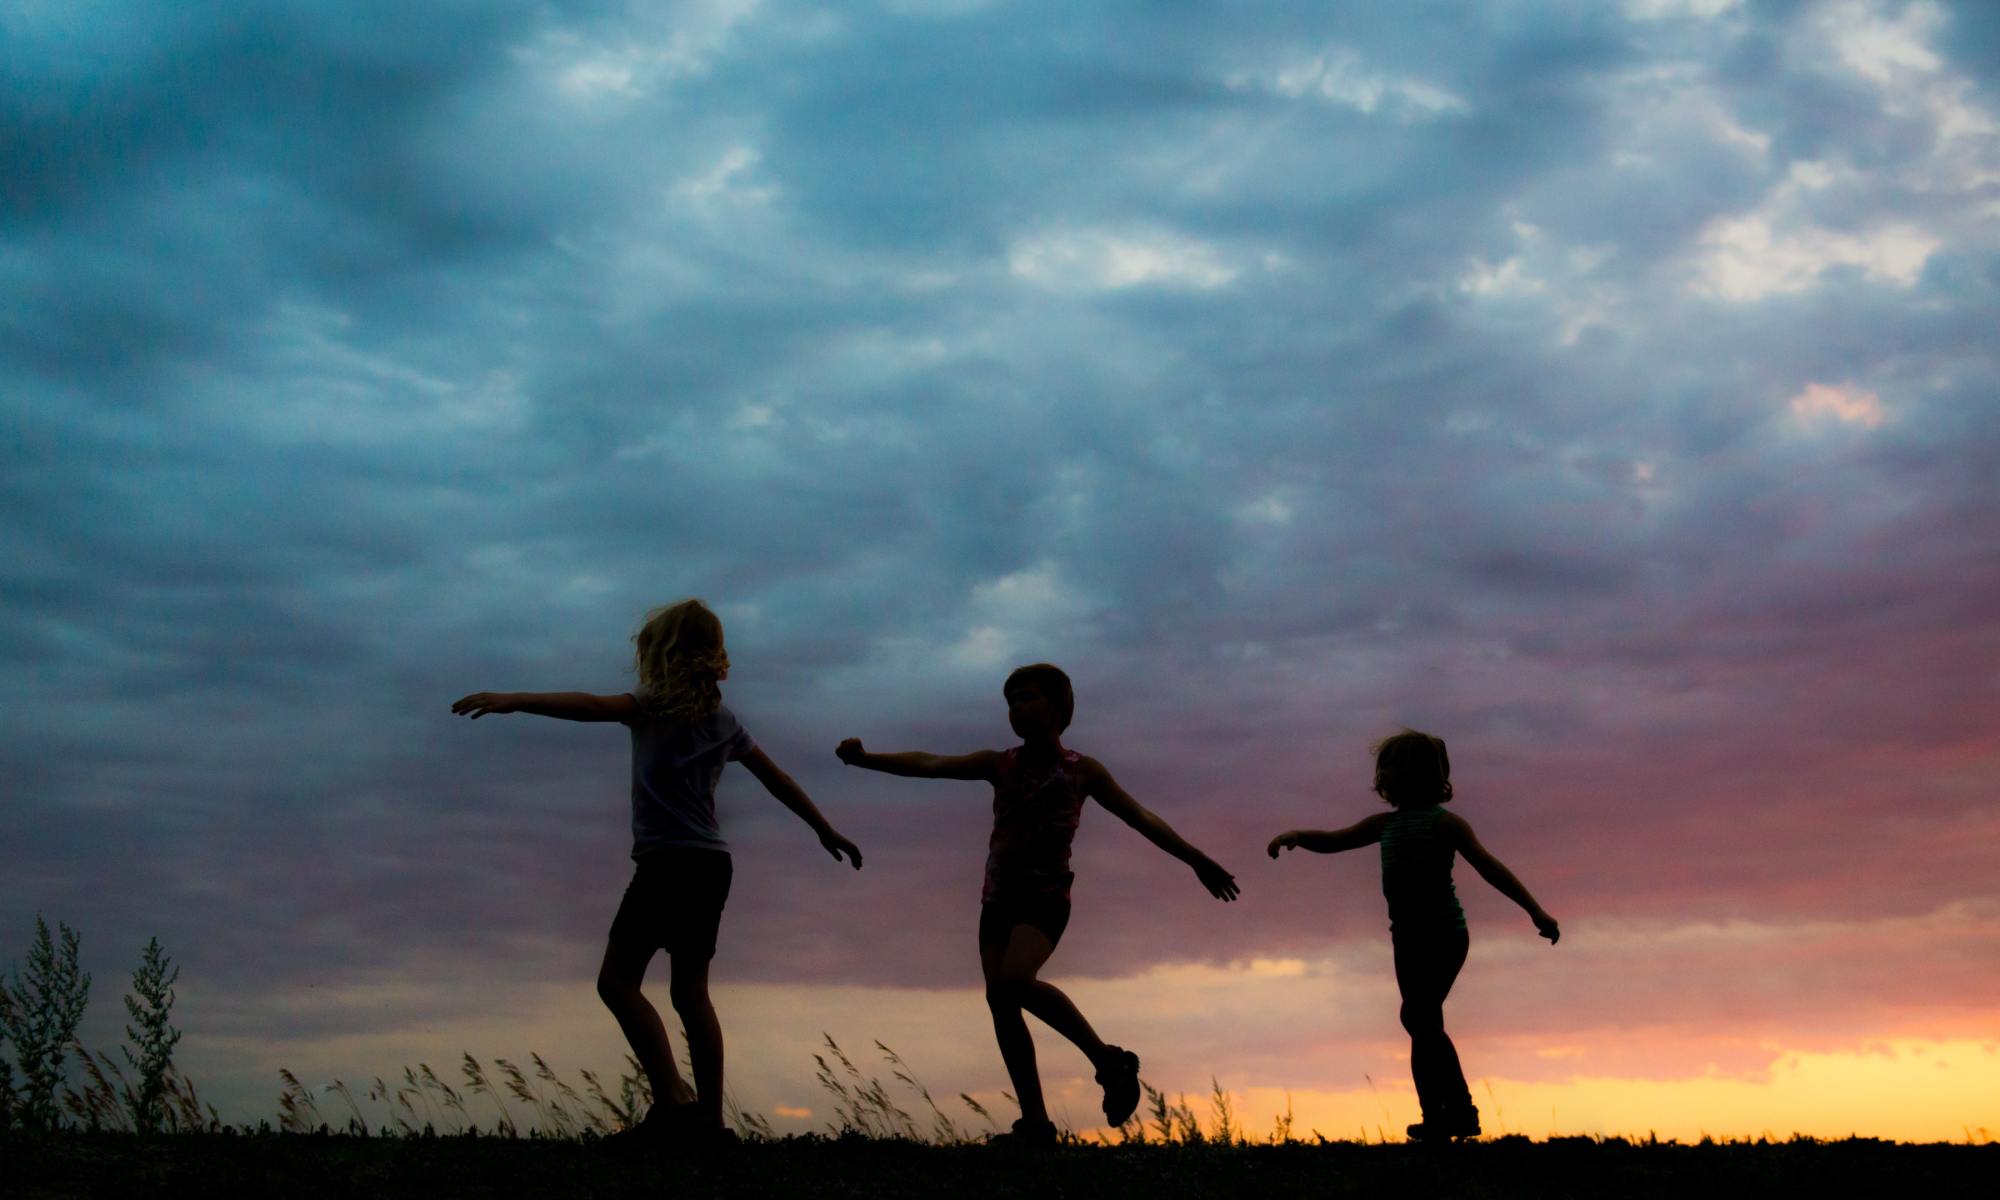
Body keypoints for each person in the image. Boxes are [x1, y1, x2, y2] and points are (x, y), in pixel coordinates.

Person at [452, 598, 862, 1145]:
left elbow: (588, 706)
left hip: (668, 863)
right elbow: (777, 779)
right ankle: (709, 1122)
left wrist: (517, 700)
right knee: (690, 995)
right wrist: (823, 828)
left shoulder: (648, 707)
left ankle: (673, 1101)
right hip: (710, 865)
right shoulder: (724, 722)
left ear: (659, 653)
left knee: (617, 983)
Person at [837, 663, 1238, 1146]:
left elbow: (1140, 817)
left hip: (1045, 899)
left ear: (1059, 707)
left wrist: (1196, 860)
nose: (1017, 708)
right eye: (1010, 701)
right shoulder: (998, 764)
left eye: (1028, 697)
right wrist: (866, 759)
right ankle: (1036, 1125)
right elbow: (930, 763)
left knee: (1014, 981)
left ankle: (1108, 1061)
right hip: (997, 899)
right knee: (1000, 1000)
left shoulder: (1082, 771)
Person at [1267, 729, 1558, 1143]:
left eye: (1389, 769)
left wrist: (1535, 911)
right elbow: (1335, 840)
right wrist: (1297, 836)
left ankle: (1459, 1110)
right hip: (1405, 938)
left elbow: (1489, 868)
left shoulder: (1446, 825)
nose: (1383, 777)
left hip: (1444, 934)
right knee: (1422, 1022)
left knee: (1417, 1018)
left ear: (1414, 776)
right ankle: (1436, 1116)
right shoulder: (1384, 825)